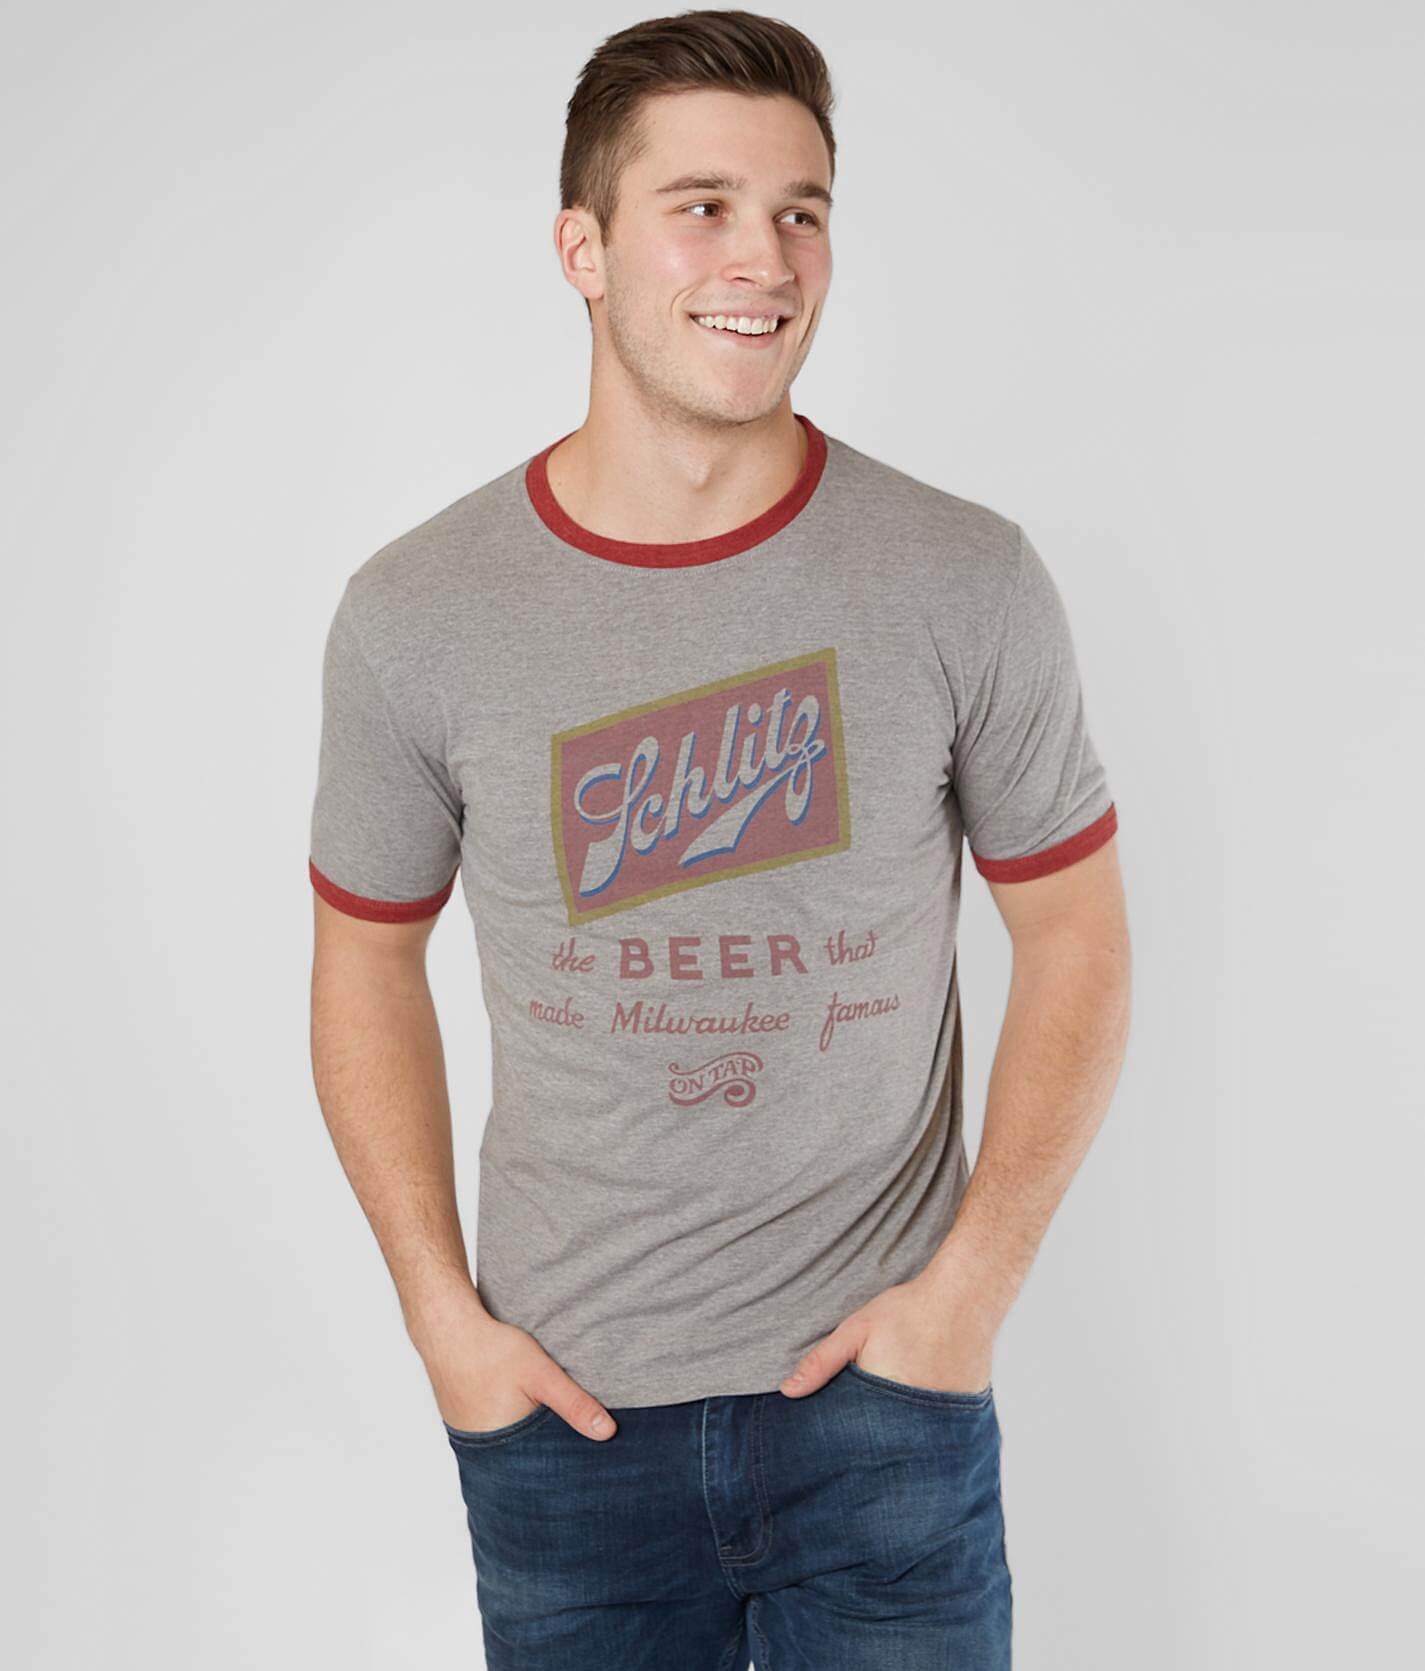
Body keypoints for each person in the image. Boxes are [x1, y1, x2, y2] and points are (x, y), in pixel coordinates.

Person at [306, 10, 1131, 1667]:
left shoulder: (962, 576)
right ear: (583, 248)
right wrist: (440, 1320)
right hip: (563, 1419)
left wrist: (966, 1296)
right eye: (701, 206)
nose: (763, 257)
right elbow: (363, 962)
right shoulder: (417, 611)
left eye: (798, 210)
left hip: (883, 1413)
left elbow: (1076, 937)